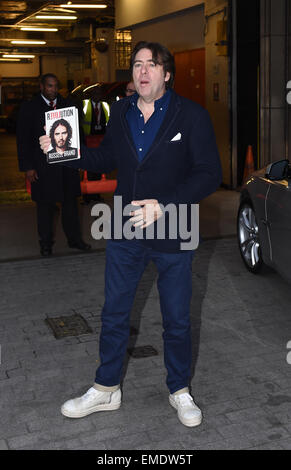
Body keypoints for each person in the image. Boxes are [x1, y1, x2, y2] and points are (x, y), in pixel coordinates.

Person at [40, 41, 222, 427]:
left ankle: (179, 390)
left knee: (176, 317)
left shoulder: (191, 116)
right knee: (115, 311)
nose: (142, 71)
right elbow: (107, 158)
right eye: (137, 65)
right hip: (125, 225)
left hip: (175, 225)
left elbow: (208, 174)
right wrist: (63, 150)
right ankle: (106, 389)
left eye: (151, 65)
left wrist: (166, 203)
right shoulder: (121, 110)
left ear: (166, 74)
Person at [17, 73, 91, 257]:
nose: (53, 90)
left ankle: (75, 240)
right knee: (45, 207)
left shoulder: (67, 105)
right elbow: (23, 140)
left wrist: (82, 160)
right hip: (43, 167)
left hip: (67, 166)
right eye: (50, 86)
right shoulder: (29, 108)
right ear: (41, 86)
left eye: (56, 86)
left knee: (71, 206)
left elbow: (79, 136)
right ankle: (46, 244)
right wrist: (28, 167)